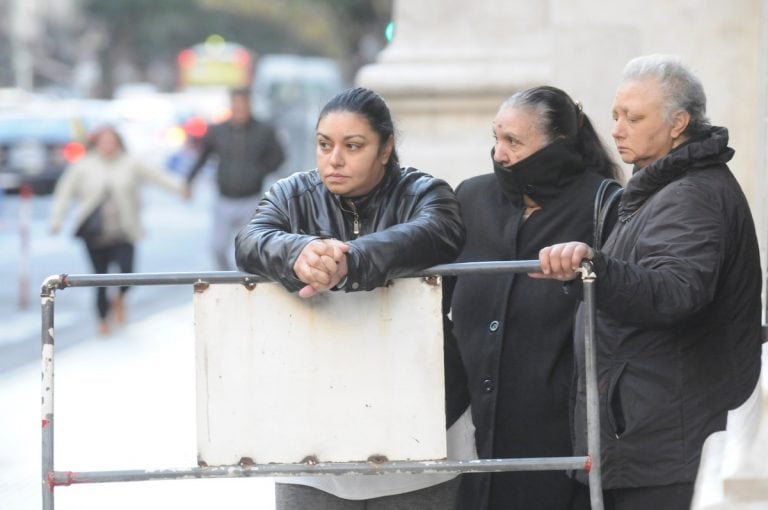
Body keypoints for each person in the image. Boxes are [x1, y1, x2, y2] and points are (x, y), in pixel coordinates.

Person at [533, 54, 763, 509]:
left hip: (667, 448)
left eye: (633, 117)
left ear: (679, 123)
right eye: (616, 114)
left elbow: (675, 292)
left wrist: (595, 267)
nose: (616, 128)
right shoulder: (664, 185)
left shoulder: (692, 194)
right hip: (653, 439)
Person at [235, 87, 472, 509]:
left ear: (386, 148)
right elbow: (250, 240)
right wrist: (298, 253)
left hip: (417, 418)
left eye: (353, 145)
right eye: (324, 145)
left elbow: (438, 232)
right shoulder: (290, 195)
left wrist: (350, 261)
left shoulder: (425, 193)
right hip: (313, 423)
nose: (334, 159)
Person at [444, 85, 623, 509]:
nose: (500, 154)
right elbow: (433, 303)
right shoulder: (470, 198)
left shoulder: (605, 205)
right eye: (496, 138)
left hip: (559, 441)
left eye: (513, 141)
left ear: (558, 144)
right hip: (470, 433)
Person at [49, 125, 190, 336]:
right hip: (95, 233)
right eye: (103, 142)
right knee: (99, 278)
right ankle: (102, 319)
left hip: (124, 230)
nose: (107, 146)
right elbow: (65, 191)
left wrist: (180, 188)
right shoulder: (84, 165)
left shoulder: (130, 163)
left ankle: (120, 299)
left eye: (111, 141)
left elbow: (157, 176)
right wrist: (57, 219)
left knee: (127, 274)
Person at [186, 87, 285, 270]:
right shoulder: (218, 131)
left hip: (251, 198)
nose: (240, 110)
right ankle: (226, 278)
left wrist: (259, 171)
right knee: (217, 247)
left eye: (243, 106)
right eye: (236, 106)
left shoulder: (263, 130)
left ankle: (245, 280)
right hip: (224, 198)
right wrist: (189, 180)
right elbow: (203, 157)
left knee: (249, 247)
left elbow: (279, 156)